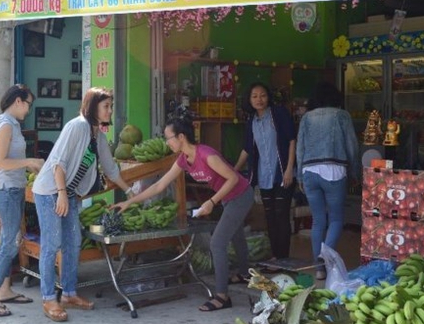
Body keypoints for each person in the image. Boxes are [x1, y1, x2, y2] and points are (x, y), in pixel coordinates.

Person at [112, 116, 253, 312]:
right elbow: (159, 185)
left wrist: (212, 202)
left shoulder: (206, 155)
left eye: (168, 138)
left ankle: (222, 296)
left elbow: (233, 179)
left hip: (241, 195)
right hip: (228, 199)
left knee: (217, 242)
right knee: (236, 235)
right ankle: (245, 273)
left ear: (181, 137)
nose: (166, 142)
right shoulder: (184, 159)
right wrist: (129, 201)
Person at [32, 87, 133, 322]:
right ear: (93, 106)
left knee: (73, 242)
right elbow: (58, 162)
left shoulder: (98, 135)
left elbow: (110, 168)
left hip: (70, 194)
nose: (110, 110)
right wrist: (61, 194)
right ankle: (49, 298)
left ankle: (68, 293)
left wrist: (129, 190)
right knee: (52, 243)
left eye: (110, 106)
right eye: (106, 106)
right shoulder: (76, 126)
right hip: (50, 192)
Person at [0, 84, 45, 317]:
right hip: (6, 191)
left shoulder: (13, 124)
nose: (28, 109)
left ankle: (6, 290)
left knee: (12, 241)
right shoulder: (6, 124)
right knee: (8, 244)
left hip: (14, 190)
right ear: (18, 101)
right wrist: (30, 162)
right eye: (28, 103)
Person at [296, 82, 359, 280]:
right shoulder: (341, 116)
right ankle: (326, 259)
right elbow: (352, 147)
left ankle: (319, 267)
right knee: (337, 219)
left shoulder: (306, 118)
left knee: (318, 221)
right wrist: (355, 172)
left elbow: (300, 148)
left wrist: (299, 174)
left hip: (309, 170)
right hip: (334, 169)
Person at [234, 82, 296, 260]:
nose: (259, 99)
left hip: (282, 173)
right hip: (263, 175)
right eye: (254, 96)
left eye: (262, 95)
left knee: (281, 214)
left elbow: (292, 139)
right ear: (249, 100)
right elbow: (247, 149)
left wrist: (289, 168)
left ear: (268, 97)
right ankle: (275, 256)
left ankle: (283, 257)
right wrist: (234, 171)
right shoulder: (251, 120)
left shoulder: (279, 114)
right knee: (269, 216)